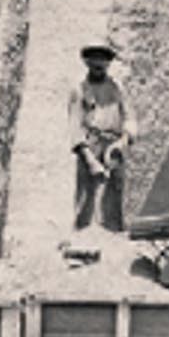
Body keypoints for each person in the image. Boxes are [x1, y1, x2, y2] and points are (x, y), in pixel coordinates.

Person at [69, 44, 138, 232]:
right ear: (87, 62)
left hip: (114, 146)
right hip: (90, 147)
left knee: (112, 200)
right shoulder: (79, 90)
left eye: (103, 60)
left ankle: (112, 237)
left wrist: (123, 142)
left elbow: (130, 117)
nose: (98, 64)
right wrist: (90, 160)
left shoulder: (117, 88)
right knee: (86, 200)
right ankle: (81, 238)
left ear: (108, 63)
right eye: (94, 60)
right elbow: (75, 127)